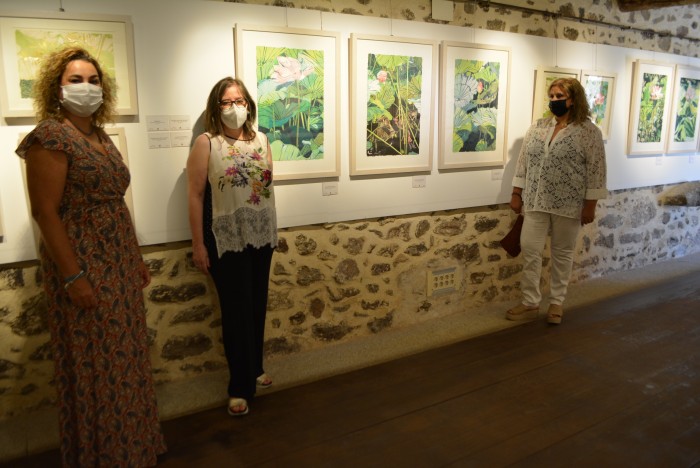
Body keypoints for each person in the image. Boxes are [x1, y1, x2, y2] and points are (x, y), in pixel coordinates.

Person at [15, 47, 166, 466]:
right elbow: (45, 212)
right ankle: (104, 455)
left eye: (94, 80)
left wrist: (134, 257)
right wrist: (73, 276)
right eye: (75, 80)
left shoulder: (100, 137)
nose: (86, 87)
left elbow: (115, 202)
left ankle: (135, 446)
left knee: (127, 357)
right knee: (97, 364)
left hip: (117, 259)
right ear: (56, 88)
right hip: (83, 262)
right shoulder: (50, 137)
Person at [186, 77, 277, 416]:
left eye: (239, 100)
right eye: (226, 102)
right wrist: (198, 243)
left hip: (260, 234)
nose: (234, 107)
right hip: (226, 238)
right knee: (236, 311)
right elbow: (195, 195)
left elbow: (266, 184)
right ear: (216, 107)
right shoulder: (207, 144)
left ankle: (255, 367)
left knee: (256, 304)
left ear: (249, 104)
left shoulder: (262, 139)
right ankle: (239, 387)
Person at [506, 77, 607, 325]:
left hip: (569, 203)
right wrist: (516, 193)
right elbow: (523, 162)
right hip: (536, 199)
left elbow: (597, 170)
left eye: (560, 97)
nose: (554, 101)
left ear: (573, 100)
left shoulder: (588, 132)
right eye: (551, 97)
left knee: (562, 253)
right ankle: (530, 301)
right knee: (530, 249)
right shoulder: (538, 127)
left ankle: (556, 302)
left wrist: (590, 205)